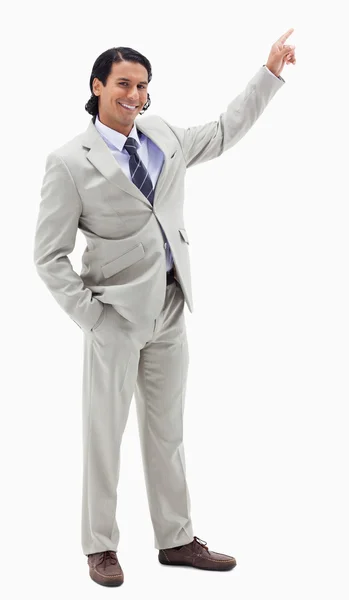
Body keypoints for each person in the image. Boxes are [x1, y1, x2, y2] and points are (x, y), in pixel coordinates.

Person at [33, 29, 296, 586]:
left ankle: (176, 539)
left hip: (172, 308)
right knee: (103, 433)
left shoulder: (162, 135)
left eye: (143, 86)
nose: (135, 95)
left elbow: (225, 131)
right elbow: (49, 256)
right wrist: (91, 317)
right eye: (124, 84)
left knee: (168, 432)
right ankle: (100, 546)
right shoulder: (68, 162)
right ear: (98, 86)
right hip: (115, 317)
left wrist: (269, 73)